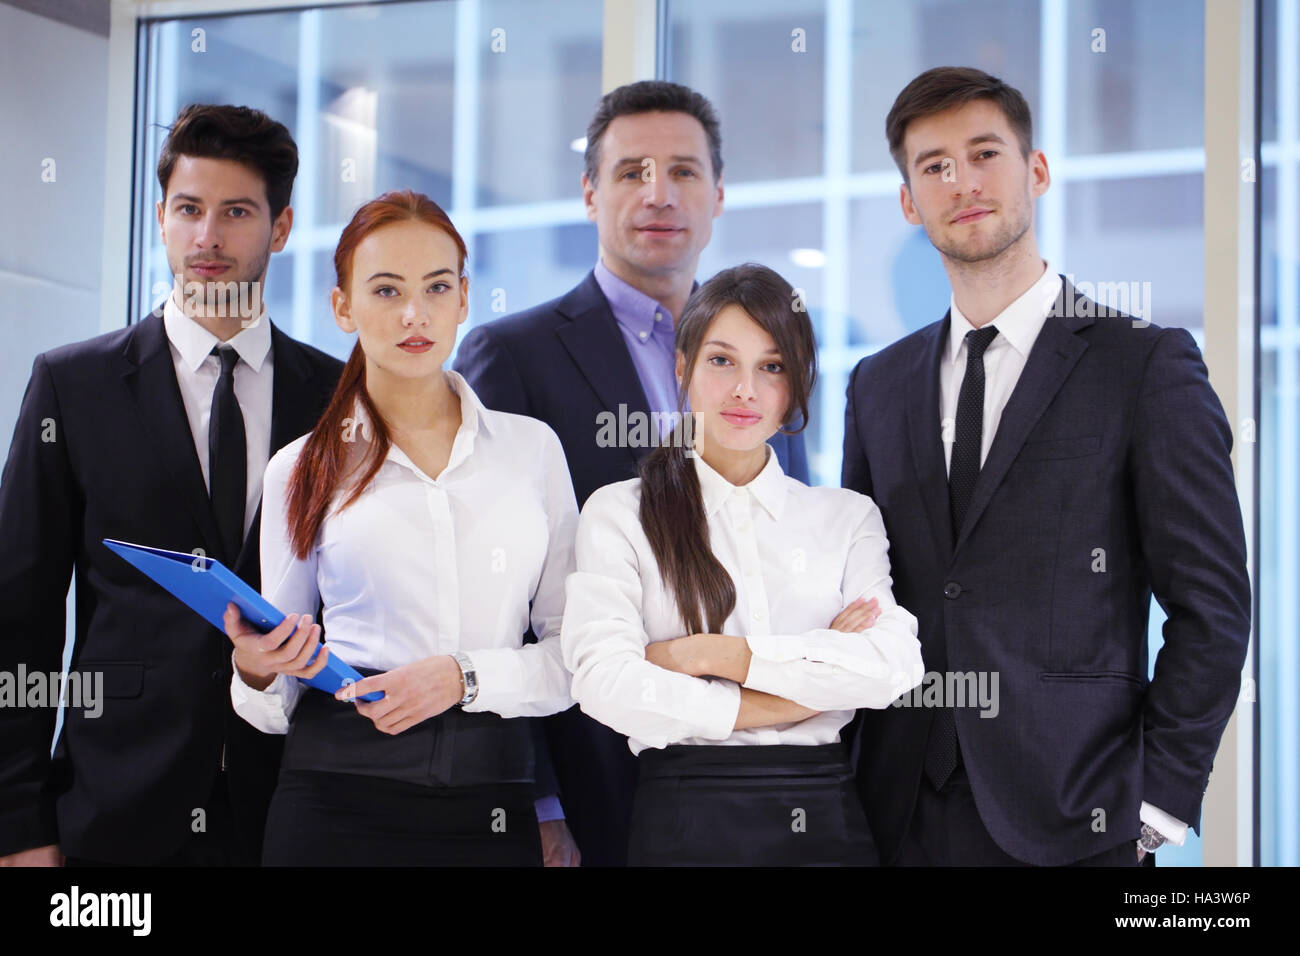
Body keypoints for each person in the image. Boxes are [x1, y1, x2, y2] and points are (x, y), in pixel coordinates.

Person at [841, 66, 1251, 866]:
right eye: (934, 166)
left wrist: (1158, 803)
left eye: (985, 153)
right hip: (894, 815)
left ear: (1036, 171)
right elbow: (862, 590)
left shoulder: (1144, 364)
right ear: (908, 202)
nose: (962, 182)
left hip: (1078, 815)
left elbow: (1213, 608)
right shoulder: (878, 384)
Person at [455, 80, 810, 866]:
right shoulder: (512, 355)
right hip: (593, 766)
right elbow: (492, 595)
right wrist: (539, 797)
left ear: (717, 196)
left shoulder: (767, 353)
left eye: (683, 171)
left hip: (754, 773)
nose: (659, 193)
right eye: (630, 172)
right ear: (589, 193)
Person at [0, 104, 343, 866]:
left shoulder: (336, 398)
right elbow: (17, 616)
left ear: (281, 228)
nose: (207, 238)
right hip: (114, 800)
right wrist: (19, 825)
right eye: (188, 210)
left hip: (295, 803)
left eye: (237, 212)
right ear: (160, 217)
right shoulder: (72, 385)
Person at [223, 190, 577, 866]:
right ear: (343, 306)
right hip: (334, 804)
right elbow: (275, 700)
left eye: (436, 287)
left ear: (465, 299)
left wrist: (463, 677)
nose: (414, 314)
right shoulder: (298, 469)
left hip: (491, 803)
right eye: (385, 290)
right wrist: (256, 668)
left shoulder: (532, 453)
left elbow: (574, 658)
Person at [562, 263, 922, 866]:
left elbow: (894, 664)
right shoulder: (620, 513)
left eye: (772, 366)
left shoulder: (845, 516)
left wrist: (717, 656)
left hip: (827, 817)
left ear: (796, 384)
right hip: (685, 815)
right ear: (683, 368)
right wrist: (801, 686)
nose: (745, 391)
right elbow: (604, 684)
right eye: (722, 360)